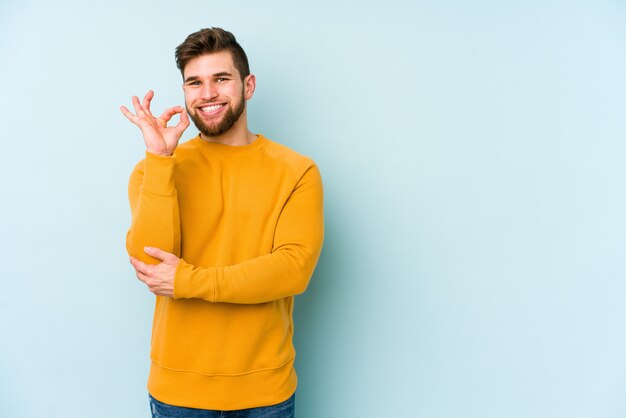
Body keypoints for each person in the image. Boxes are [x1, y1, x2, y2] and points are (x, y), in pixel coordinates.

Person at [120, 27, 324, 417]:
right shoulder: (156, 169)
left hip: (264, 393)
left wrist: (187, 281)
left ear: (248, 85)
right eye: (194, 82)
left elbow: (292, 270)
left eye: (221, 79)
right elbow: (150, 261)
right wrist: (160, 160)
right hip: (177, 393)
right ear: (184, 92)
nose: (208, 93)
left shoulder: (297, 171)